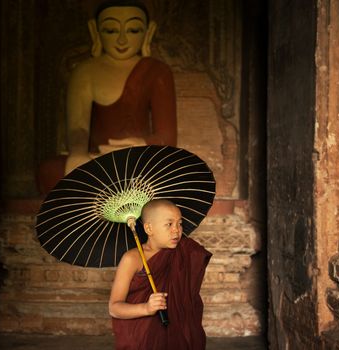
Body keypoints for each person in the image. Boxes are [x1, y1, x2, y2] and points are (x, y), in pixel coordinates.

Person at [37, 1, 177, 194]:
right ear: (95, 31)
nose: (121, 40)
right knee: (50, 170)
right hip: (97, 159)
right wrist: (78, 153)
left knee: (169, 173)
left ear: (148, 32)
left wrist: (140, 145)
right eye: (110, 30)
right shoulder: (85, 71)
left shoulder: (157, 71)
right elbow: (78, 128)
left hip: (138, 159)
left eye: (133, 30)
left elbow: (167, 137)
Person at [109, 199, 212, 349]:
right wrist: (146, 308)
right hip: (143, 337)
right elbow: (114, 308)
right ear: (149, 229)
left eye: (180, 223)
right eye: (169, 224)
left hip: (177, 333)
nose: (176, 230)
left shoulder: (183, 252)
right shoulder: (133, 259)